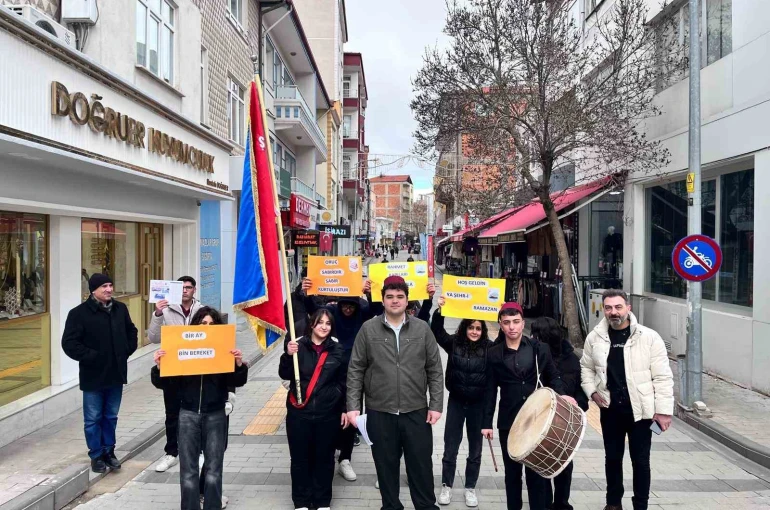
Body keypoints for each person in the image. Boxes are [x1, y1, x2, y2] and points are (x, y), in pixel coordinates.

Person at [346, 275, 444, 510]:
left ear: (407, 300)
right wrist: (353, 406)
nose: (395, 301)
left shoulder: (421, 329)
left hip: (416, 411)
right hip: (380, 411)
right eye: (389, 297)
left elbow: (434, 369)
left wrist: (436, 405)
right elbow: (356, 369)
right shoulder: (368, 329)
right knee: (385, 467)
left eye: (400, 296)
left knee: (420, 466)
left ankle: (426, 506)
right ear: (382, 300)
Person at [580, 290, 674, 510]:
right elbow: (586, 367)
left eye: (618, 307)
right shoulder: (595, 337)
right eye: (608, 308)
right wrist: (592, 392)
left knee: (640, 461)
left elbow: (662, 377)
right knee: (612, 459)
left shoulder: (648, 337)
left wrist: (663, 411)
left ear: (628, 308)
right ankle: (613, 503)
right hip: (610, 410)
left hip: (641, 412)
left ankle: (641, 505)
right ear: (604, 309)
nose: (613, 312)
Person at [482, 302, 577, 510]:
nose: (512, 327)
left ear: (523, 323)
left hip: (537, 419)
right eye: (507, 322)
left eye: (516, 322)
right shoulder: (494, 353)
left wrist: (563, 396)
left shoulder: (539, 349)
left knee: (536, 474)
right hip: (509, 422)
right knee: (512, 474)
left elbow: (553, 376)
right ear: (501, 325)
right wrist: (486, 423)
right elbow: (490, 391)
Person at [151, 307, 247, 510]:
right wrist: (160, 367)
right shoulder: (183, 348)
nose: (207, 328)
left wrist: (238, 365)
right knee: (188, 471)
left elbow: (236, 381)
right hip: (188, 413)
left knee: (213, 470)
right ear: (195, 326)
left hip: (215, 414)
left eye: (212, 324)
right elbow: (166, 384)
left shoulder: (223, 350)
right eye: (203, 323)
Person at [300, 278, 375, 482]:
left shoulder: (363, 311)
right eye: (345, 305)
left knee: (352, 413)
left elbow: (376, 309)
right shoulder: (332, 312)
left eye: (352, 306)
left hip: (355, 372)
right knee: (331, 413)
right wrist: (306, 292)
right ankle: (329, 450)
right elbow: (314, 311)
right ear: (339, 304)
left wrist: (369, 293)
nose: (348, 309)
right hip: (330, 371)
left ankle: (345, 459)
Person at [62, 273, 138, 473]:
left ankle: (109, 451)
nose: (109, 289)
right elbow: (69, 343)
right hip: (93, 375)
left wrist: (126, 350)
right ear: (93, 290)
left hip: (116, 374)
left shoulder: (120, 309)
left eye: (110, 285)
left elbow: (131, 331)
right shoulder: (78, 314)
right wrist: (92, 356)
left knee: (111, 416)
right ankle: (96, 455)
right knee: (93, 418)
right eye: (104, 286)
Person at [279, 309, 349, 510]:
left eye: (328, 323)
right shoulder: (298, 345)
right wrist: (287, 355)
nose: (324, 327)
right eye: (320, 322)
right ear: (312, 324)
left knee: (325, 458)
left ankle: (322, 501)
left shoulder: (337, 349)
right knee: (299, 459)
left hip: (328, 414)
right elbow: (284, 373)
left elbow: (343, 381)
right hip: (299, 413)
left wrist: (343, 407)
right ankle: (301, 501)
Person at [432, 296, 493, 508]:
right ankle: (446, 485)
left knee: (475, 449)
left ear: (483, 330)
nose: (474, 331)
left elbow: (506, 342)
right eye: (471, 327)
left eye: (478, 328)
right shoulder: (454, 343)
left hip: (478, 404)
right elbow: (437, 332)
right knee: (451, 446)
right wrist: (440, 311)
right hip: (456, 402)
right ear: (464, 328)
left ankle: (470, 488)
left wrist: (501, 314)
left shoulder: (490, 348)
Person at [530, 318, 589, 510]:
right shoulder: (535, 357)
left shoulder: (572, 359)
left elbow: (580, 389)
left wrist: (578, 406)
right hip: (541, 420)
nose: (532, 337)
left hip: (566, 420)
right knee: (541, 462)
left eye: (535, 334)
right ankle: (545, 503)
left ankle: (562, 503)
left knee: (565, 463)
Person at [147, 276, 204, 473]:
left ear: (194, 290)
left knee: (197, 412)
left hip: (196, 370)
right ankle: (171, 452)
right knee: (172, 414)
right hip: (172, 370)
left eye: (189, 287)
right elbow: (153, 338)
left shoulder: (203, 311)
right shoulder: (166, 310)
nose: (185, 291)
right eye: (182, 288)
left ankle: (199, 451)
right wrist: (157, 313)